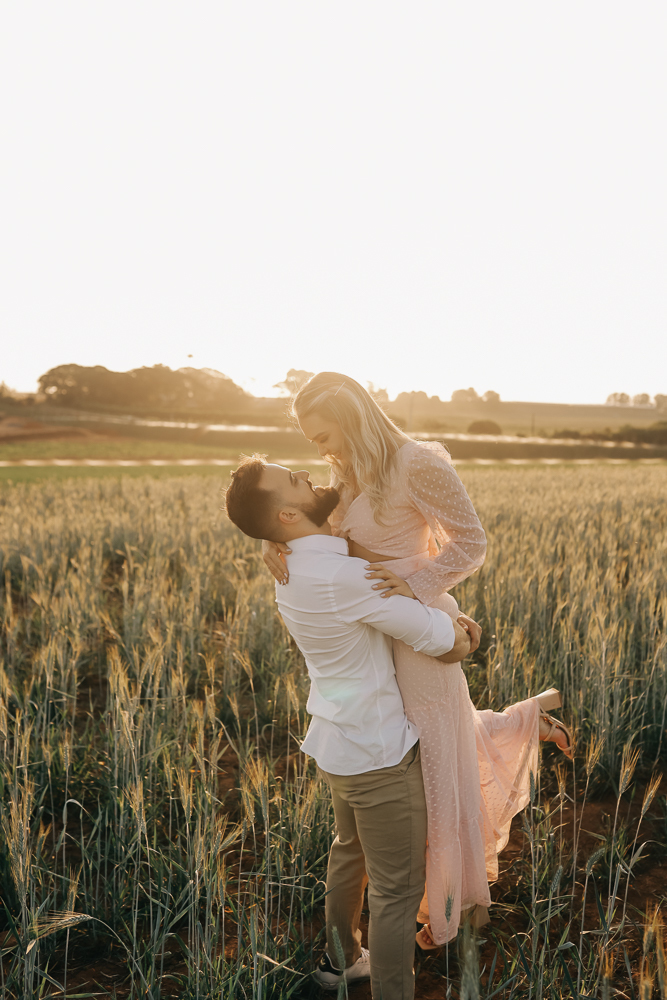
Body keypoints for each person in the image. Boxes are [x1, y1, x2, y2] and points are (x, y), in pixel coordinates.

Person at [262, 372, 573, 948]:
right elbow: (300, 520)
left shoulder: (418, 463)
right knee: (412, 760)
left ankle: (456, 906)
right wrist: (272, 540)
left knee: (435, 764)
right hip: (377, 630)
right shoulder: (345, 472)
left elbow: (470, 542)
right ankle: (523, 724)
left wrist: (417, 586)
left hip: (417, 624)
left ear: (352, 418)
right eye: (311, 440)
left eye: (323, 434)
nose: (319, 449)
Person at [224, 455, 481, 999]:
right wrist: (463, 632)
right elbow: (440, 640)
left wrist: (268, 537)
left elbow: (316, 527)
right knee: (396, 892)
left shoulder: (293, 565)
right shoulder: (344, 576)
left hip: (336, 744)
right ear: (287, 515)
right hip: (380, 755)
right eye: (292, 480)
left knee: (349, 853)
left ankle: (340, 961)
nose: (306, 474)